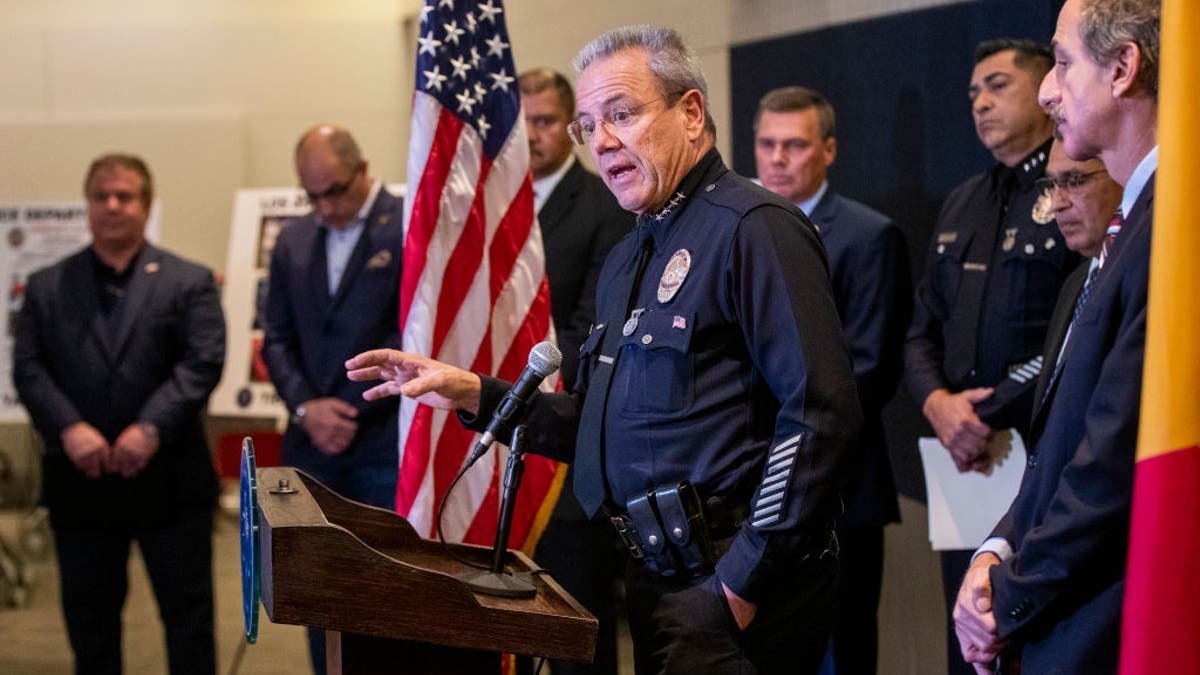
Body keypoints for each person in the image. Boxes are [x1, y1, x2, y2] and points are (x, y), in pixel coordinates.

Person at [347, 25, 861, 675]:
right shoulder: (629, 255)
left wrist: (740, 583)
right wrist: (472, 390)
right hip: (653, 579)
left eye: (623, 114)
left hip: (737, 586)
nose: (604, 141)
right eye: (588, 125)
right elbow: (592, 423)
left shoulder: (753, 228)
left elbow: (821, 414)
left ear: (692, 113)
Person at [954, 1, 1160, 671]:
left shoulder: (1168, 231)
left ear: (1124, 67)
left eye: (1064, 62)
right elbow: (1062, 453)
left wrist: (1008, 599)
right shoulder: (1127, 234)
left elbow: (1111, 465)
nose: (1049, 90)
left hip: (1103, 626)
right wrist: (995, 552)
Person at [901, 38, 1080, 674]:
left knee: (1033, 638)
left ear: (1045, 88)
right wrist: (937, 403)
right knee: (968, 634)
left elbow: (1074, 329)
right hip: (967, 465)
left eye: (998, 85)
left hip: (1041, 454)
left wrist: (982, 411)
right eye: (974, 91)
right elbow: (920, 328)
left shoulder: (1074, 187)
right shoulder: (961, 201)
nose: (980, 102)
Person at [13, 153, 225, 674]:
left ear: (146, 205)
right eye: (101, 196)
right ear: (87, 205)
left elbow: (203, 363)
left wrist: (149, 428)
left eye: (125, 196)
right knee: (90, 626)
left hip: (169, 480)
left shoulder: (189, 281)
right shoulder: (47, 286)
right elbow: (30, 369)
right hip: (81, 480)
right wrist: (70, 429)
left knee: (188, 620)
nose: (112, 206)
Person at [753, 85, 910, 675]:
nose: (777, 158)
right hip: (752, 486)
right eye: (767, 143)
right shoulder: (744, 230)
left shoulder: (870, 237)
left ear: (829, 150)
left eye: (794, 145)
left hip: (842, 485)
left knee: (841, 652)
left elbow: (869, 370)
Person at [262, 124, 404, 674]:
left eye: (335, 191)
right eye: (311, 195)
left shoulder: (407, 227)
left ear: (364, 170)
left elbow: (412, 333)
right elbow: (274, 336)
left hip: (381, 439)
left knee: (385, 586)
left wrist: (350, 408)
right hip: (311, 447)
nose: (325, 207)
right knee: (318, 588)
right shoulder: (294, 239)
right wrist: (306, 408)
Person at [519, 67, 633, 675]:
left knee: (574, 627)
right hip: (501, 442)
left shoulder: (602, 204)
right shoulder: (490, 207)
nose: (530, 135)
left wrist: (505, 373)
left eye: (542, 121)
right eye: (521, 122)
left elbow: (592, 327)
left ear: (570, 128)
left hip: (567, 440)